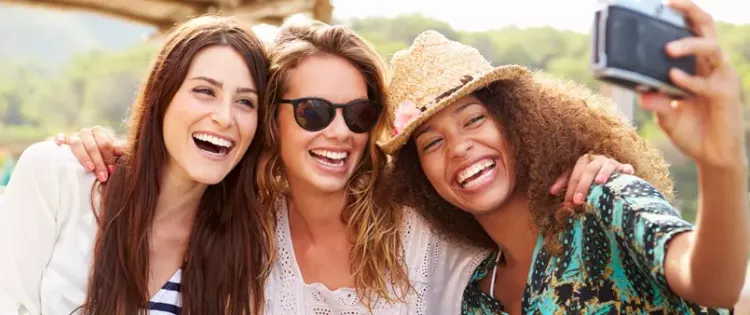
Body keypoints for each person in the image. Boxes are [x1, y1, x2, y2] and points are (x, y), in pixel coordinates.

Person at [55, 21, 635, 314]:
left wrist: (588, 170)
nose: (339, 132)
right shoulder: (237, 229)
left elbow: (524, 246)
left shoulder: (422, 228)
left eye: (359, 113)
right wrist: (111, 151)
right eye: (312, 112)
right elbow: (178, 169)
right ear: (270, 122)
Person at [379, 1, 748, 314]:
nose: (459, 147)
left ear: (516, 121)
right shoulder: (473, 292)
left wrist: (721, 163)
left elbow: (713, 286)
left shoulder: (603, 198)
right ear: (419, 176)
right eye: (431, 143)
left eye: (474, 119)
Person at [0, 16, 273, 315]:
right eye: (205, 91)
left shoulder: (247, 250)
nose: (225, 117)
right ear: (162, 96)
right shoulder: (57, 178)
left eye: (246, 102)